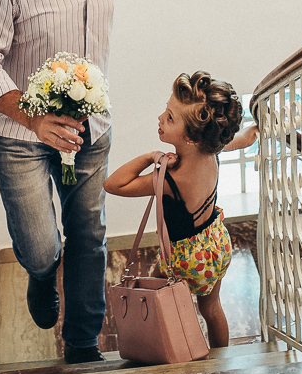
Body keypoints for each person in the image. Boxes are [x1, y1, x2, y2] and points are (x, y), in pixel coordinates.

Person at [0, 0, 198, 364]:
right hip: (16, 131)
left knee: (89, 235)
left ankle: (82, 343)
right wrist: (34, 119)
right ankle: (42, 273)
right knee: (43, 246)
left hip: (92, 128)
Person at [104, 71, 243, 348]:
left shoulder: (173, 177)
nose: (160, 118)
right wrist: (254, 133)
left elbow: (113, 184)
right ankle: (222, 360)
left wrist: (149, 156)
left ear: (192, 136)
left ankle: (165, 349)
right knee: (212, 309)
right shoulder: (212, 150)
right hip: (215, 243)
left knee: (157, 298)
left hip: (186, 258)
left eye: (169, 117)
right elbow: (244, 140)